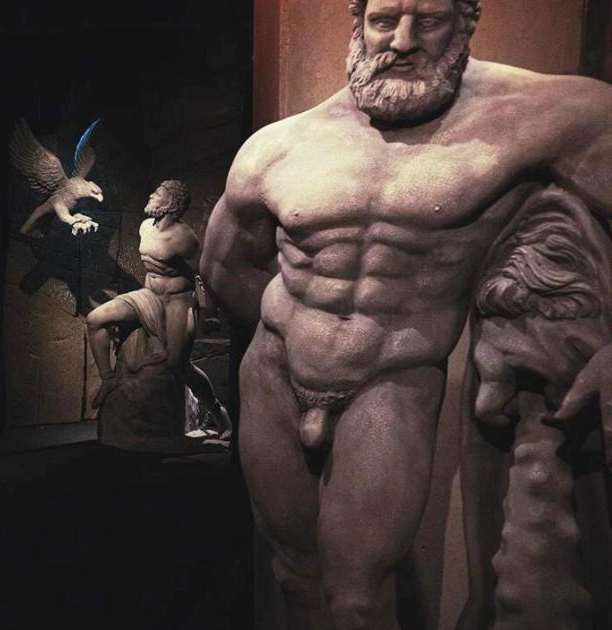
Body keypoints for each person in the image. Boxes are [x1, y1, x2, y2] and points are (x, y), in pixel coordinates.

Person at [199, 0, 612, 627]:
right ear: (358, 21)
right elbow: (224, 265)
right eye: (385, 20)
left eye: (429, 21)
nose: (403, 40)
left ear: (465, 23)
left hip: (391, 381)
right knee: (292, 574)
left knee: (358, 598)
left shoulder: (546, 115)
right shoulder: (281, 145)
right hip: (273, 370)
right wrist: (302, 332)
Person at [86, 180, 231, 441]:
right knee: (95, 319)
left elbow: (202, 276)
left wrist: (209, 312)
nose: (152, 194)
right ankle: (108, 379)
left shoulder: (184, 238)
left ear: (171, 203)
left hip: (177, 301)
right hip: (148, 295)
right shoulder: (145, 227)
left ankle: (217, 412)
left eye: (159, 193)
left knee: (178, 364)